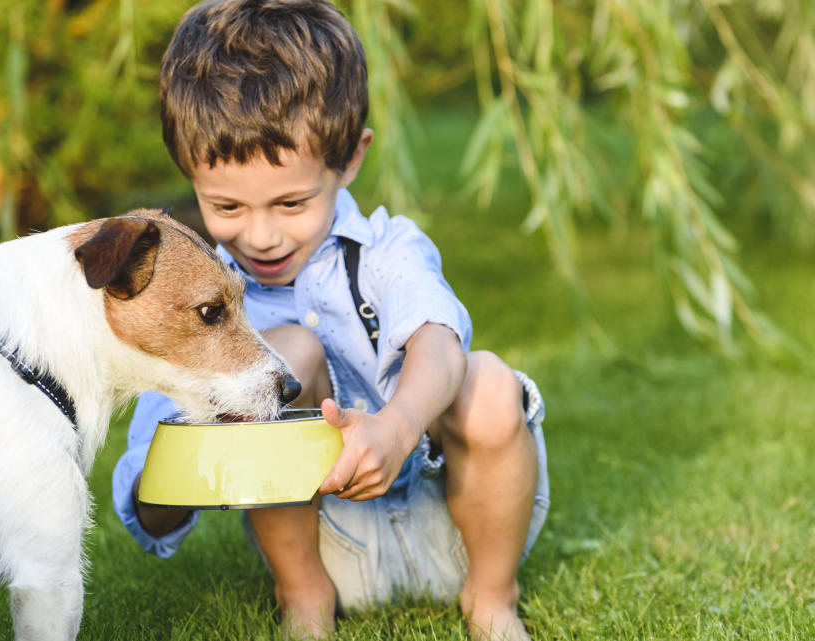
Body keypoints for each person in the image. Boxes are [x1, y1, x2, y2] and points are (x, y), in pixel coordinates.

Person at [111, 1, 549, 639]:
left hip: (460, 524)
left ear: (348, 160)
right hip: (331, 550)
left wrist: (399, 425)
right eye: (226, 205)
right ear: (189, 174)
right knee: (278, 355)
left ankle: (491, 599)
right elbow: (153, 502)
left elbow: (440, 343)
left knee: (486, 381)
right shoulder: (201, 315)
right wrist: (214, 425)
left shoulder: (388, 249)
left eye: (291, 202)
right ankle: (303, 599)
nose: (260, 235)